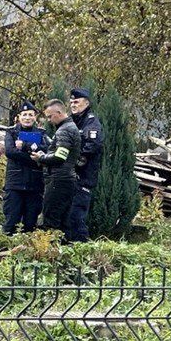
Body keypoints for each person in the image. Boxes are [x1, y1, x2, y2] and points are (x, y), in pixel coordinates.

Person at [33, 99, 83, 236]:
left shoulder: (64, 130)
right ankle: (64, 250)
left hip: (58, 179)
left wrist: (41, 158)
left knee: (50, 219)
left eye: (50, 116)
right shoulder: (71, 127)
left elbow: (60, 156)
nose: (48, 120)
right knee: (63, 221)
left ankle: (50, 253)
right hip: (67, 178)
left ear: (59, 113)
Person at [1, 104, 46, 234]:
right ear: (18, 117)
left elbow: (46, 150)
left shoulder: (41, 133)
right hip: (15, 184)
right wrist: (34, 157)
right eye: (24, 115)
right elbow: (10, 152)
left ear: (35, 117)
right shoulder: (11, 132)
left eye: (30, 115)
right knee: (11, 222)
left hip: (34, 185)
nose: (27, 118)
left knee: (30, 225)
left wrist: (25, 146)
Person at [67, 87, 104, 244]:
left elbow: (93, 145)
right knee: (67, 217)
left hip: (83, 177)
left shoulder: (91, 122)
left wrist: (75, 158)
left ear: (86, 103)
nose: (73, 105)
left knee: (77, 217)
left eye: (77, 102)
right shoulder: (70, 121)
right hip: (68, 177)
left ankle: (83, 249)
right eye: (71, 102)